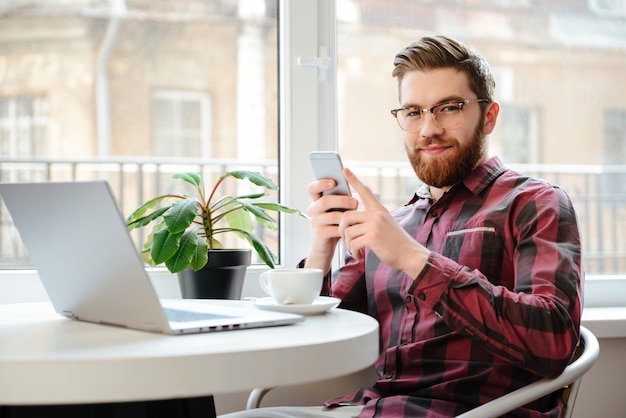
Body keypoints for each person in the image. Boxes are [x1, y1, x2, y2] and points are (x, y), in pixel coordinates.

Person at [221, 35, 582, 418]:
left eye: (449, 108)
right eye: (413, 112)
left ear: (488, 116)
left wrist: (415, 259)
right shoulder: (391, 225)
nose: (428, 129)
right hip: (373, 409)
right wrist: (320, 251)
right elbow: (317, 342)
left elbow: (554, 338)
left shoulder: (534, 202)